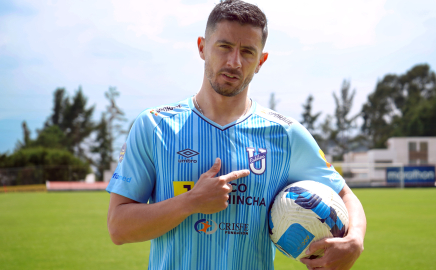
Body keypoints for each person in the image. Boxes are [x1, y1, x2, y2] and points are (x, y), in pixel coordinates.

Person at [106, 0, 366, 269]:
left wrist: (355, 239)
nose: (234, 62)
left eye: (248, 52)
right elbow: (118, 228)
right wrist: (190, 202)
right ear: (202, 48)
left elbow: (344, 194)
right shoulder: (154, 126)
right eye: (224, 47)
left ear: (261, 61)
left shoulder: (286, 134)